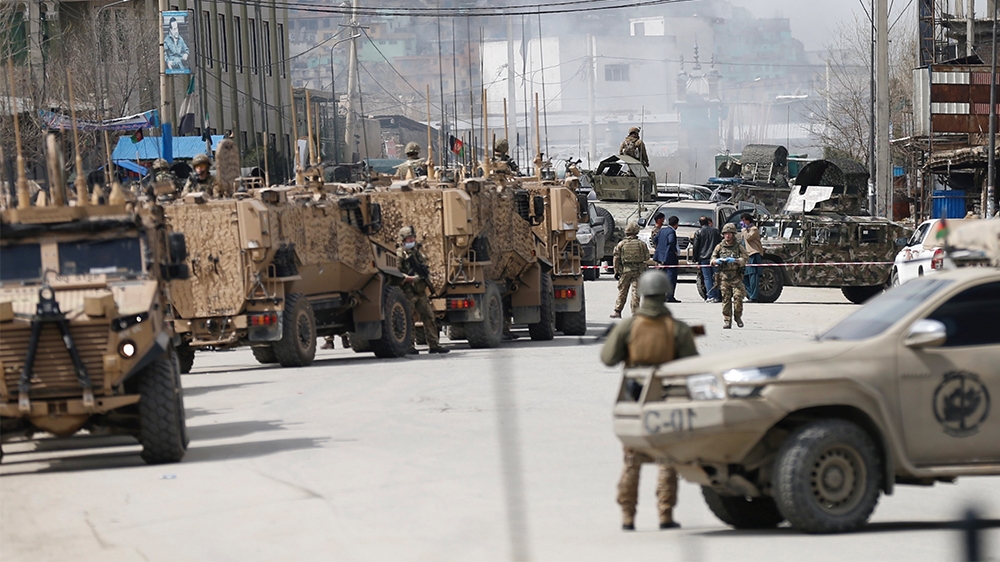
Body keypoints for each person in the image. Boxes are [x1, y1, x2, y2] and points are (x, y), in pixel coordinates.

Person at [601, 270, 698, 531]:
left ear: (642, 293)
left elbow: (608, 359)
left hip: (635, 396)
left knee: (632, 458)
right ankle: (665, 514)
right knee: (667, 459)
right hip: (667, 397)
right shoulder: (676, 328)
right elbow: (693, 365)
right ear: (665, 293)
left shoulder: (629, 326)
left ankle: (627, 516)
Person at [396, 226, 449, 354]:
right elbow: (396, 274)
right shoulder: (400, 254)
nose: (411, 240)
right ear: (403, 240)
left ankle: (434, 344)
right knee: (409, 319)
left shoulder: (416, 252)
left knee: (429, 317)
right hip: (408, 292)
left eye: (412, 237)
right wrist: (411, 278)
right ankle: (409, 346)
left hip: (420, 291)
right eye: (409, 238)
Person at [711, 222, 749, 329]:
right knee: (726, 300)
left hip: (736, 277)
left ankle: (738, 316)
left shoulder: (738, 246)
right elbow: (712, 259)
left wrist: (736, 260)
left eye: (729, 233)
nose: (727, 235)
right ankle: (727, 320)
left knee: (738, 298)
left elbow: (746, 258)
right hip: (724, 277)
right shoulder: (719, 247)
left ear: (733, 234)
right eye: (725, 233)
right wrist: (717, 261)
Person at [610, 220, 649, 318]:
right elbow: (647, 257)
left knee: (622, 291)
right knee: (636, 293)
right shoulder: (641, 244)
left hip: (625, 270)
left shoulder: (621, 244)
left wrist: (616, 271)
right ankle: (635, 313)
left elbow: (616, 258)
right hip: (639, 271)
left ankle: (617, 311)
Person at [690, 215, 722, 303]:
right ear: (708, 222)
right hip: (715, 257)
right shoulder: (715, 231)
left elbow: (696, 246)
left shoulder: (698, 232)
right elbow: (720, 243)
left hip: (704, 258)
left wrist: (695, 258)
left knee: (707, 278)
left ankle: (711, 296)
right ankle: (717, 296)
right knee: (716, 277)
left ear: (700, 223)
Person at [652, 215, 680, 303]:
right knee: (671, 277)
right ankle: (669, 296)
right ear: (676, 224)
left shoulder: (662, 230)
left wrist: (660, 248)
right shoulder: (671, 232)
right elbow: (671, 241)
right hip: (670, 257)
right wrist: (674, 250)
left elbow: (655, 239)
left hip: (660, 257)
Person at [741, 213, 764, 302]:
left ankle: (754, 296)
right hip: (746, 255)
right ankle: (750, 294)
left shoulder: (753, 229)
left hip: (753, 253)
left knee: (753, 276)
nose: (743, 222)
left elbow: (748, 238)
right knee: (744, 276)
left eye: (744, 220)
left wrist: (744, 230)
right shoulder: (745, 230)